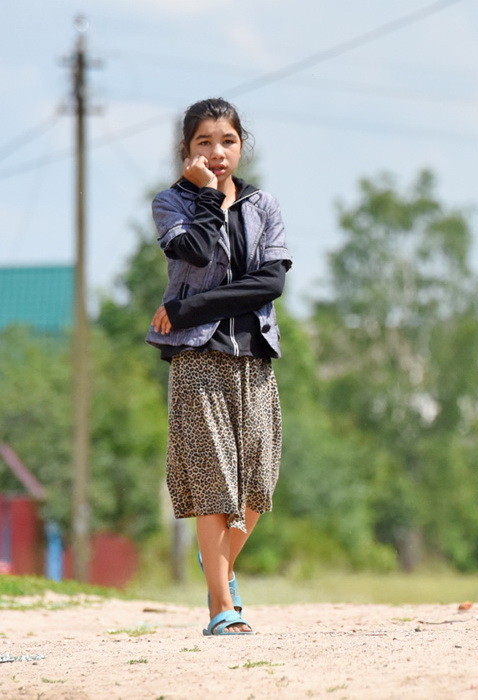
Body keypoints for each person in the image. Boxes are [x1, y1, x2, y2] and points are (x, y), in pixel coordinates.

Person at [147, 98, 292, 635]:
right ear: (186, 150)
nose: (217, 152)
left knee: (257, 484)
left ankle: (219, 564)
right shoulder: (170, 204)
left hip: (254, 356)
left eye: (227, 141)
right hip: (197, 359)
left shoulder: (263, 205)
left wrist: (186, 308)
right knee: (213, 483)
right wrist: (207, 195)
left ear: (241, 144)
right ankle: (219, 607)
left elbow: (271, 283)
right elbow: (200, 253)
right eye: (204, 143)